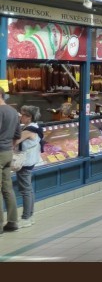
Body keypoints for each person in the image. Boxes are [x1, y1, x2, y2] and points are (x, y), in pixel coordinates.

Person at [15, 105, 43, 228]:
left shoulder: (28, 130)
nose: (21, 116)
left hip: (24, 162)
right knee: (29, 190)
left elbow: (14, 141)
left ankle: (26, 217)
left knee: (25, 190)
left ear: (29, 117)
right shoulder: (35, 127)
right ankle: (30, 216)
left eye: (23, 114)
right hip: (30, 161)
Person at [0, 87, 21, 232]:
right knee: (7, 188)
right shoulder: (13, 111)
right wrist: (10, 148)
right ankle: (12, 221)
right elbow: (17, 135)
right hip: (8, 152)